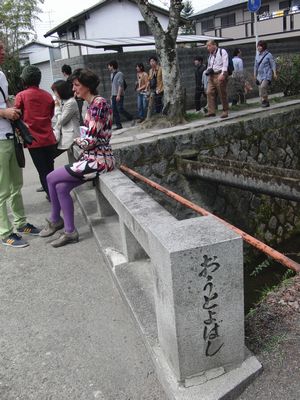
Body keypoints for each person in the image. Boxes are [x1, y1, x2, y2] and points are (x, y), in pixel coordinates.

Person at [39, 68, 115, 247]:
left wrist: (77, 140)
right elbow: (91, 137)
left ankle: (55, 220)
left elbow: (91, 140)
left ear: (87, 86)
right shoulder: (91, 104)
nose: (74, 89)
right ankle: (70, 231)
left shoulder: (99, 104)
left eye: (76, 85)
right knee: (62, 187)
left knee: (51, 177)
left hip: (99, 161)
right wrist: (82, 140)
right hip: (92, 159)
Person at [0, 42, 40, 247]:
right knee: (1, 190)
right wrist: (4, 112)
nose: (4, 52)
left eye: (3, 48)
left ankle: (21, 223)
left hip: (9, 136)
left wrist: (12, 112)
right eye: (0, 48)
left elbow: (4, 101)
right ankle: (5, 232)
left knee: (16, 185)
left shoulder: (2, 75)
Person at [14, 65, 56, 198]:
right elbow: (51, 115)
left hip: (33, 141)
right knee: (50, 169)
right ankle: (53, 194)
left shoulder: (21, 96)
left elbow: (16, 115)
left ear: (24, 80)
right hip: (49, 138)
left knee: (42, 171)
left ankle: (52, 197)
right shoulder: (48, 96)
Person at [51, 79, 80, 159]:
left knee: (73, 162)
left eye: (55, 91)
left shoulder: (71, 102)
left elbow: (61, 121)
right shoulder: (64, 101)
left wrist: (57, 106)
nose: (55, 94)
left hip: (71, 137)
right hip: (66, 136)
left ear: (61, 90)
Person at [205, 40, 229, 119]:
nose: (208, 48)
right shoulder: (210, 55)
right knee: (209, 92)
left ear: (214, 45)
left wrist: (223, 74)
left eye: (209, 46)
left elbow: (225, 63)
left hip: (219, 74)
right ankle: (211, 111)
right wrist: (208, 71)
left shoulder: (222, 51)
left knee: (222, 93)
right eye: (207, 46)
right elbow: (209, 65)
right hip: (212, 75)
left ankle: (225, 110)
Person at [107, 60, 133, 130]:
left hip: (119, 94)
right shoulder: (111, 74)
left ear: (112, 66)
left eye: (109, 66)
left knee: (120, 109)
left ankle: (130, 117)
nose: (108, 67)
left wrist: (118, 95)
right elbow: (112, 85)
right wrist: (111, 95)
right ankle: (119, 125)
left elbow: (120, 85)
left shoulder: (120, 74)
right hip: (113, 94)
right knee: (114, 110)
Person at [254, 40, 277, 108]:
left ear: (263, 46)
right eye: (258, 46)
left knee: (263, 87)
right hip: (259, 75)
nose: (258, 47)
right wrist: (254, 74)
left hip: (267, 75)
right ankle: (266, 102)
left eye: (260, 46)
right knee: (260, 90)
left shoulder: (268, 55)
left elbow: (273, 64)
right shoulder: (257, 55)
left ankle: (264, 100)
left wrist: (274, 73)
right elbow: (255, 65)